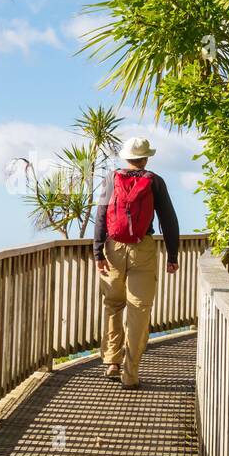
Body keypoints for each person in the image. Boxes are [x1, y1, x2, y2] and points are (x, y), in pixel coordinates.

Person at [93, 137, 179, 389]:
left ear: (126, 157)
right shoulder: (154, 181)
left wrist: (98, 252)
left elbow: (100, 216)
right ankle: (130, 373)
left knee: (113, 304)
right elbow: (168, 219)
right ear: (145, 158)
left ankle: (111, 361)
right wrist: (172, 256)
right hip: (143, 247)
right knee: (139, 310)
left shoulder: (111, 178)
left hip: (113, 246)